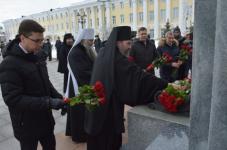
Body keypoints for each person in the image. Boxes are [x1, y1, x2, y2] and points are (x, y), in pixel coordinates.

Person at [85, 26, 179, 150]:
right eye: (128, 43)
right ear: (118, 42)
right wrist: (166, 84)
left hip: (96, 111)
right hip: (107, 114)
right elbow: (139, 78)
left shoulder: (104, 53)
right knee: (108, 143)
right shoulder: (117, 60)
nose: (130, 46)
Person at [0, 19, 66, 150]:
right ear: (22, 38)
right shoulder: (9, 64)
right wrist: (48, 102)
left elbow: (46, 83)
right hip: (26, 125)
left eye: (42, 40)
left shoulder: (38, 56)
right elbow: (12, 99)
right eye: (37, 41)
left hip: (45, 120)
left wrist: (59, 98)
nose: (41, 44)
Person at [65, 28, 96, 142]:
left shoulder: (86, 49)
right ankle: (79, 135)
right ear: (83, 40)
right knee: (79, 112)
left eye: (93, 40)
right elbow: (81, 72)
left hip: (86, 85)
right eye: (90, 40)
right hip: (78, 87)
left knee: (85, 112)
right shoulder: (75, 52)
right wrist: (96, 74)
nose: (92, 42)